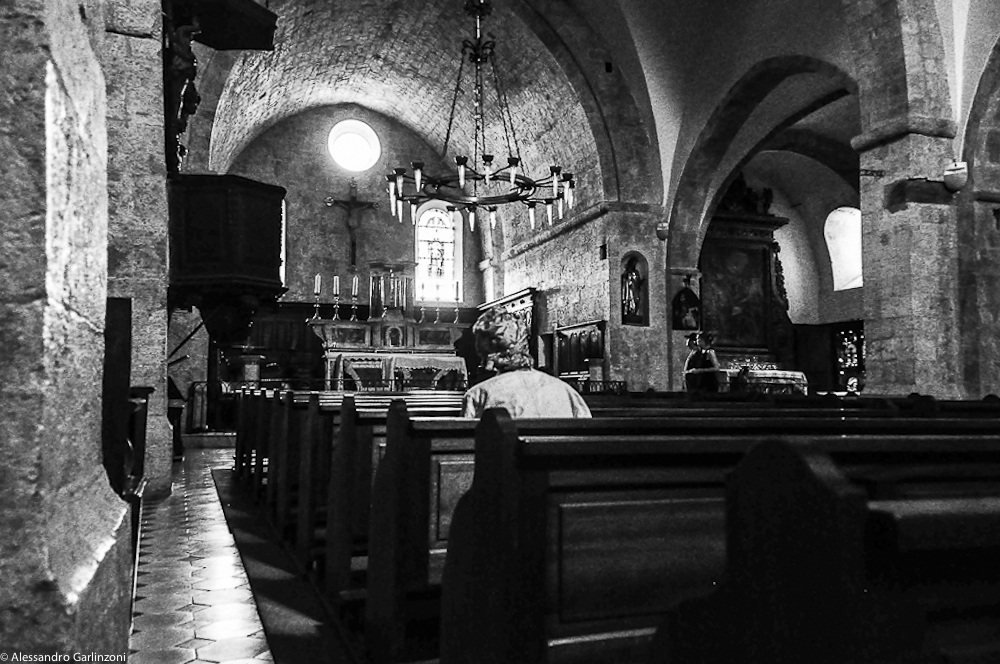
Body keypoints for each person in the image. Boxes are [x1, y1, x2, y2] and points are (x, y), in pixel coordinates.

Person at [461, 308, 592, 418]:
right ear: (524, 343)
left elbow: (468, 438)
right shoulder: (566, 391)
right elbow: (586, 433)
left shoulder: (478, 395)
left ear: (483, 350)